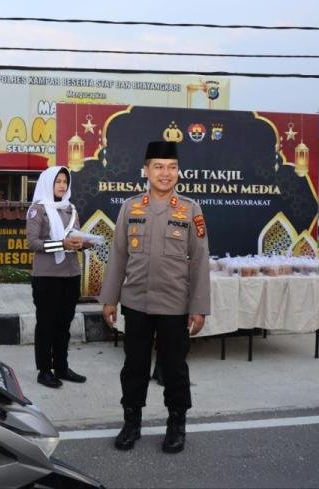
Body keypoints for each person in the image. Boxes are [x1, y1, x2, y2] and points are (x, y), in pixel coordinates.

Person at [99, 141, 210, 454]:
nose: (166, 173)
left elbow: (201, 259)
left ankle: (176, 424)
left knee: (174, 368)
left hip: (175, 305)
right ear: (146, 170)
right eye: (159, 167)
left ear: (178, 172)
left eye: (172, 167)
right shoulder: (130, 207)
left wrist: (199, 307)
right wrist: (110, 298)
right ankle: (131, 423)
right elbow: (118, 255)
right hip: (136, 303)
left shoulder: (191, 210)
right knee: (134, 367)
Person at [26, 166, 88, 388]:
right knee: (46, 325)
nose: (62, 185)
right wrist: (61, 244)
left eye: (65, 182)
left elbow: (75, 236)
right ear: (48, 183)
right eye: (58, 181)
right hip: (47, 276)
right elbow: (32, 243)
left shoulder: (70, 208)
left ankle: (61, 367)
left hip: (71, 274)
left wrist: (84, 242)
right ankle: (44, 370)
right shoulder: (38, 210)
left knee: (64, 324)